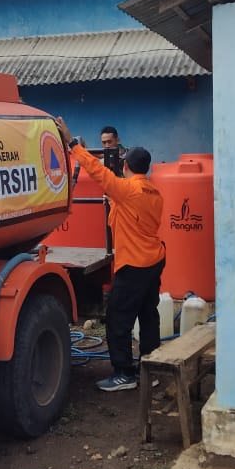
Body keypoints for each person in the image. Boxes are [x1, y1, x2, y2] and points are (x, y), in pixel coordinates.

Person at [54, 116, 165, 392]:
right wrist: (115, 200)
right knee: (148, 316)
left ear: (126, 166)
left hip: (134, 265)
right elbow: (134, 216)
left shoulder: (127, 190)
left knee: (117, 319)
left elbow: (97, 171)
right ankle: (151, 369)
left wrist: (72, 144)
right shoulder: (153, 192)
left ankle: (124, 374)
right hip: (153, 261)